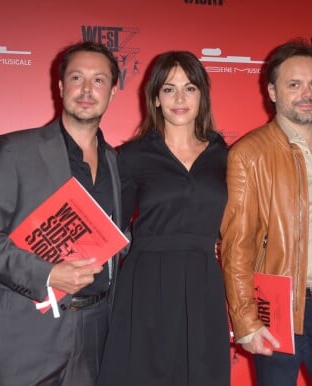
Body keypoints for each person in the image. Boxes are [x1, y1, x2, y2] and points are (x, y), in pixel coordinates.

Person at [0, 41, 121, 385]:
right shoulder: (14, 150)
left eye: (99, 80)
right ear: (61, 86)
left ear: (113, 91)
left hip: (97, 332)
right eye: (77, 78)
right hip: (29, 333)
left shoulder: (117, 162)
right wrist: (47, 275)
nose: (87, 90)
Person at [220, 40, 312, 386]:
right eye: (294, 84)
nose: (307, 94)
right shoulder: (249, 153)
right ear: (272, 90)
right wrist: (246, 322)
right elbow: (238, 246)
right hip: (278, 310)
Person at [96, 51, 230, 386]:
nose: (180, 98)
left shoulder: (224, 154)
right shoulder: (132, 155)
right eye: (169, 89)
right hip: (146, 280)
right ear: (156, 97)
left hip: (204, 280)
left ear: (202, 95)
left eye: (190, 88)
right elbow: (110, 225)